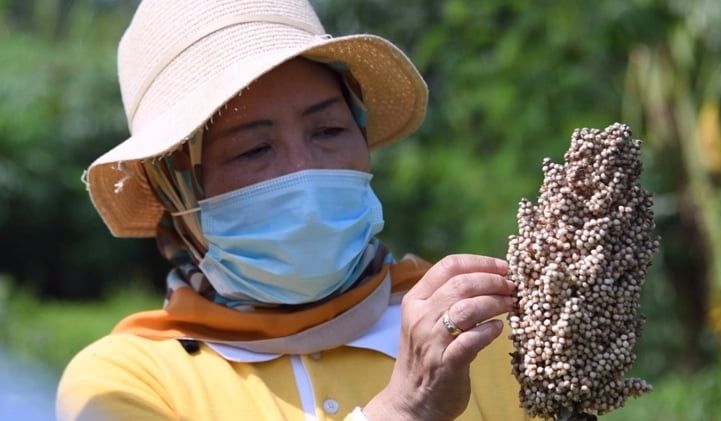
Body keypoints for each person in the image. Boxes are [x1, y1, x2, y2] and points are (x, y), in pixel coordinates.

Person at [56, 1, 526, 420]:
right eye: (253, 149)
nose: (304, 172)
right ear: (179, 192)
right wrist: (404, 409)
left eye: (327, 130)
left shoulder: (482, 331)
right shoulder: (128, 383)